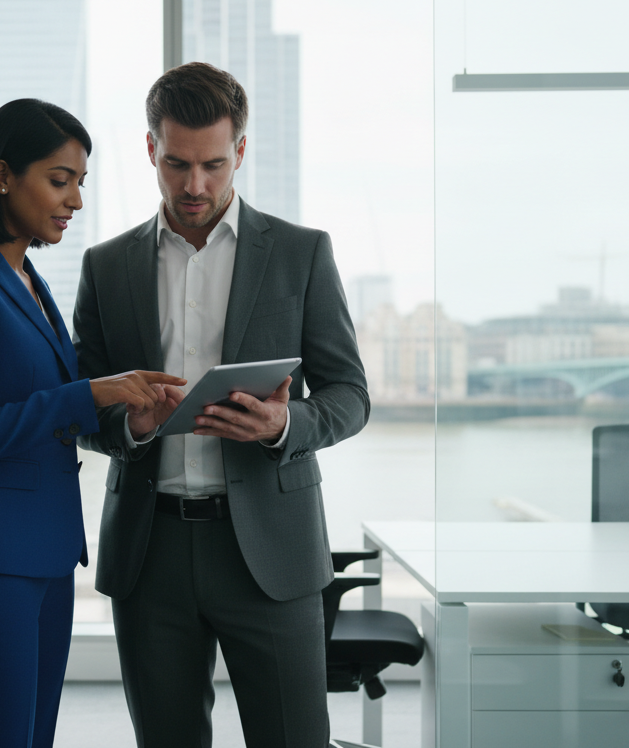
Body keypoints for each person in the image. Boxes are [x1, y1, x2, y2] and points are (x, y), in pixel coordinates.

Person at [72, 63, 370, 746]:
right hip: (152, 552)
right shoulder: (106, 267)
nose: (194, 185)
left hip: (271, 550)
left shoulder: (301, 254)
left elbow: (351, 395)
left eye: (212, 163)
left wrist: (283, 425)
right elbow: (82, 407)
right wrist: (130, 426)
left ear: (239, 151)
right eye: (176, 163)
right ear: (151, 149)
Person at [0, 98, 185, 748]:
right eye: (60, 180)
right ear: (3, 175)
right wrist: (86, 394)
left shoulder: (28, 278)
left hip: (44, 556)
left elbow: (49, 402)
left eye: (80, 184)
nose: (75, 201)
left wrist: (125, 406)